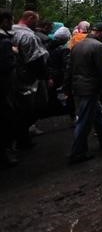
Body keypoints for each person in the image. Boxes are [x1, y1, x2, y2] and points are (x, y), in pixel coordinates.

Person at [66, 22, 102, 164]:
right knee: (85, 120)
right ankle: (77, 152)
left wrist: (67, 87)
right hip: (90, 88)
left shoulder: (77, 45)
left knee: (97, 113)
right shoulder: (99, 47)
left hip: (78, 86)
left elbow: (69, 68)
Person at [12, 10, 49, 149]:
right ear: (30, 18)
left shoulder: (11, 32)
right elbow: (34, 59)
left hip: (14, 77)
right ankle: (21, 139)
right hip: (27, 78)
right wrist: (44, 75)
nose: (37, 24)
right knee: (29, 108)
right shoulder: (27, 35)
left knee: (17, 109)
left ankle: (21, 138)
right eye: (36, 20)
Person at [0, 9, 19, 167]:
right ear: (5, 21)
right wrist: (15, 53)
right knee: (7, 119)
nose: (12, 24)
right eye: (11, 20)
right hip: (4, 87)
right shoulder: (5, 42)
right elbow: (6, 66)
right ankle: (6, 154)